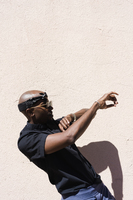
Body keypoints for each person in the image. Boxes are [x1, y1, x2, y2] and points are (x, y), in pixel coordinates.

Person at [17, 90, 118, 200]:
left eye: (50, 103)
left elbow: (86, 113)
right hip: (79, 196)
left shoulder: (53, 125)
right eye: (46, 105)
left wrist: (72, 116)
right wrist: (96, 105)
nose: (51, 108)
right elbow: (69, 137)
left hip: (100, 189)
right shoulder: (27, 140)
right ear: (30, 112)